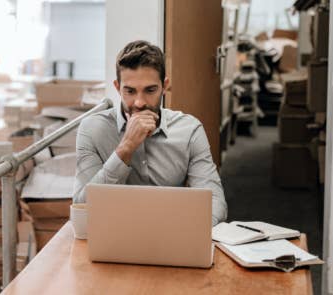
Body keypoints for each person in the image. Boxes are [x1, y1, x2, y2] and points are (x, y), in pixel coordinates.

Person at [72, 40, 227, 226]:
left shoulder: (190, 130)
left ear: (164, 86)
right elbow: (83, 208)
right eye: (129, 91)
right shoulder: (92, 129)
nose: (139, 102)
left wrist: (188, 231)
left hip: (172, 232)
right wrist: (125, 148)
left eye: (150, 90)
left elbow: (215, 203)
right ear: (117, 87)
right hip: (114, 232)